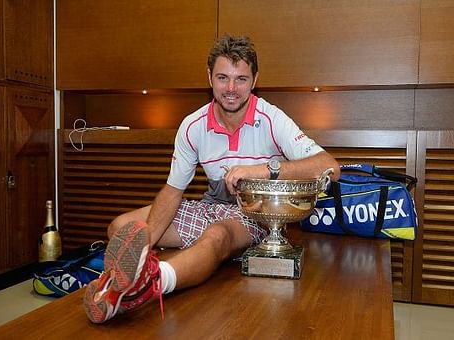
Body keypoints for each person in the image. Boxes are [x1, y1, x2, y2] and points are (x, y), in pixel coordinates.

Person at [83, 34, 340, 323]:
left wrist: (263, 170)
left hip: (253, 214)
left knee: (216, 236)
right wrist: (144, 246)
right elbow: (172, 191)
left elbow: (329, 166)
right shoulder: (192, 125)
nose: (231, 89)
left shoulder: (271, 118)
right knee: (120, 227)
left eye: (241, 79)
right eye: (222, 77)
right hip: (210, 206)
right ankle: (130, 280)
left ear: (255, 80)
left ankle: (152, 283)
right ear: (209, 77)